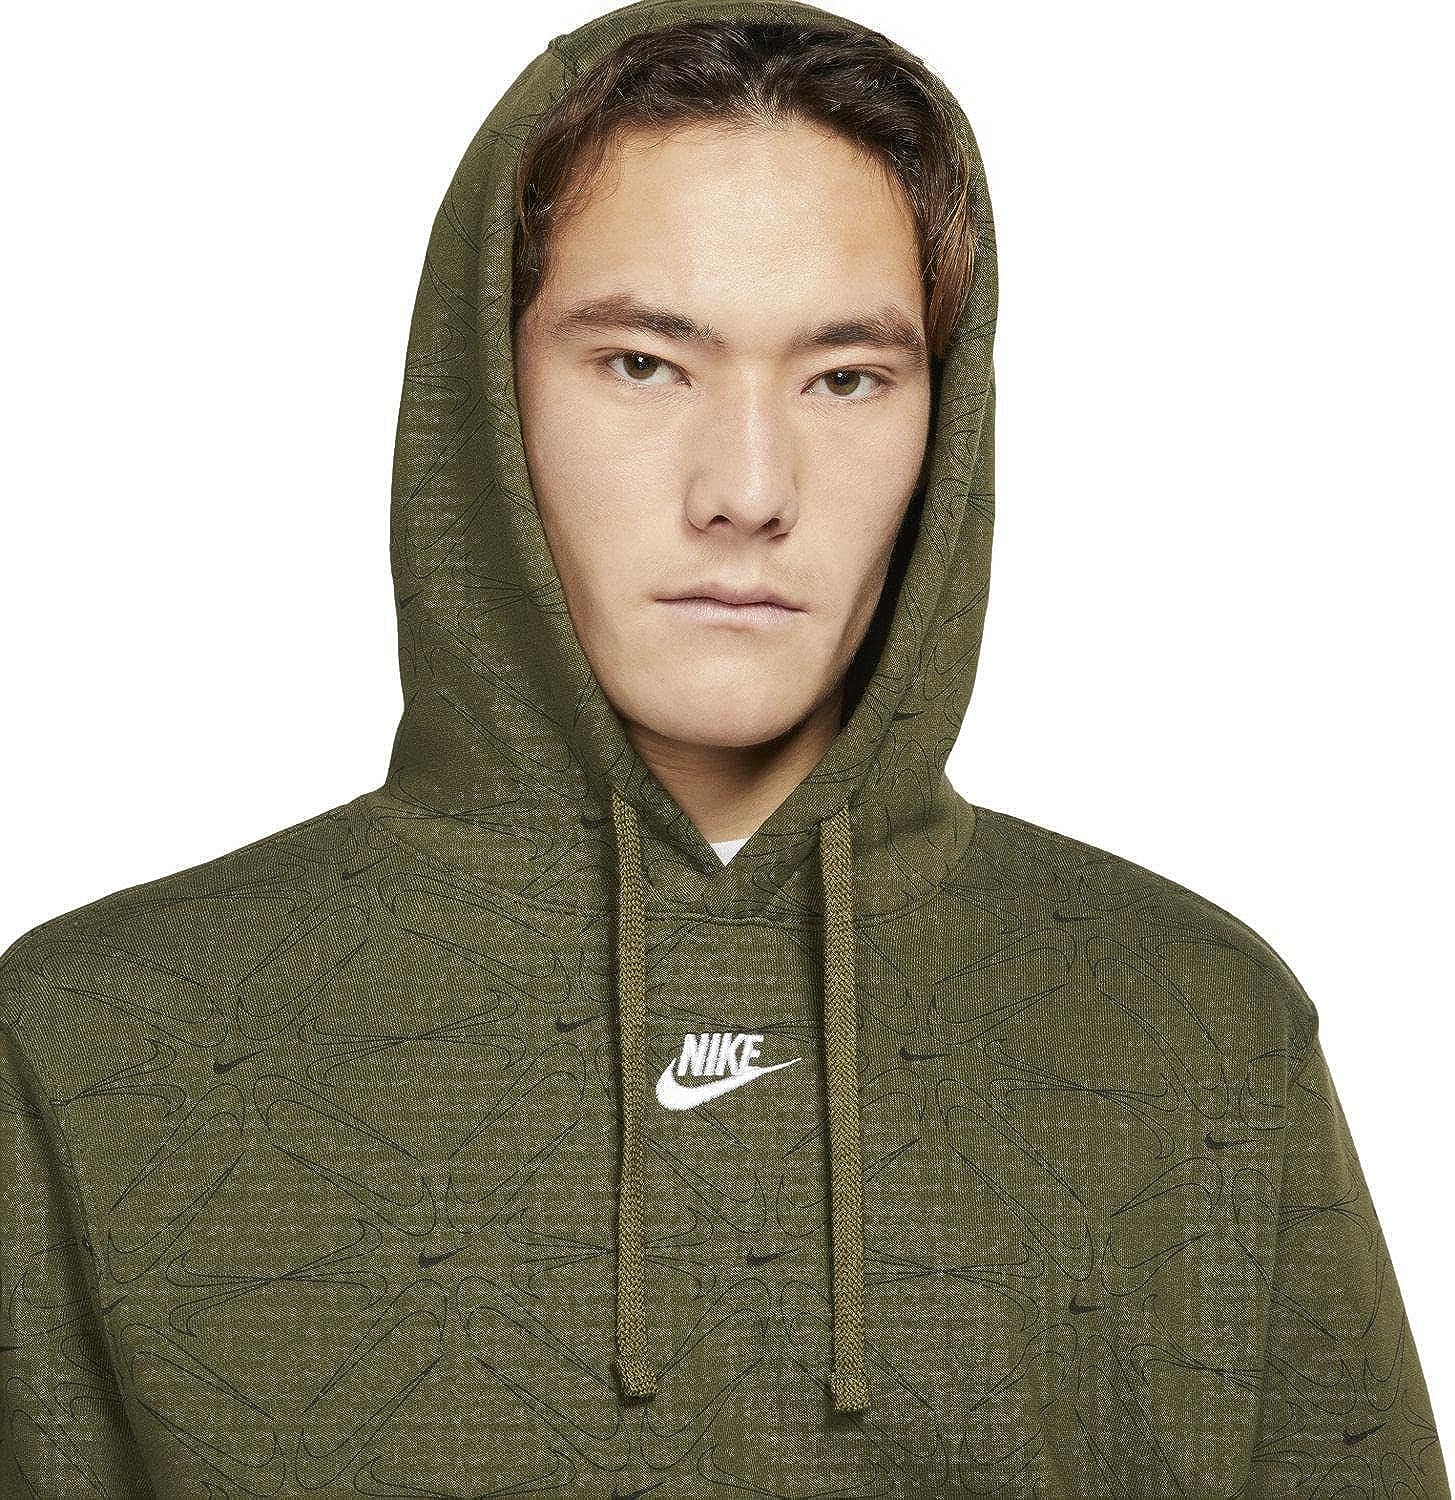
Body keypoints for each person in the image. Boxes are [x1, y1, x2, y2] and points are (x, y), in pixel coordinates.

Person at [1, 0, 1446, 1495]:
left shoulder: (1191, 1027)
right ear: (485, 396)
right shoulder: (103, 1041)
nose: (749, 491)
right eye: (644, 363)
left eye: (846, 377)